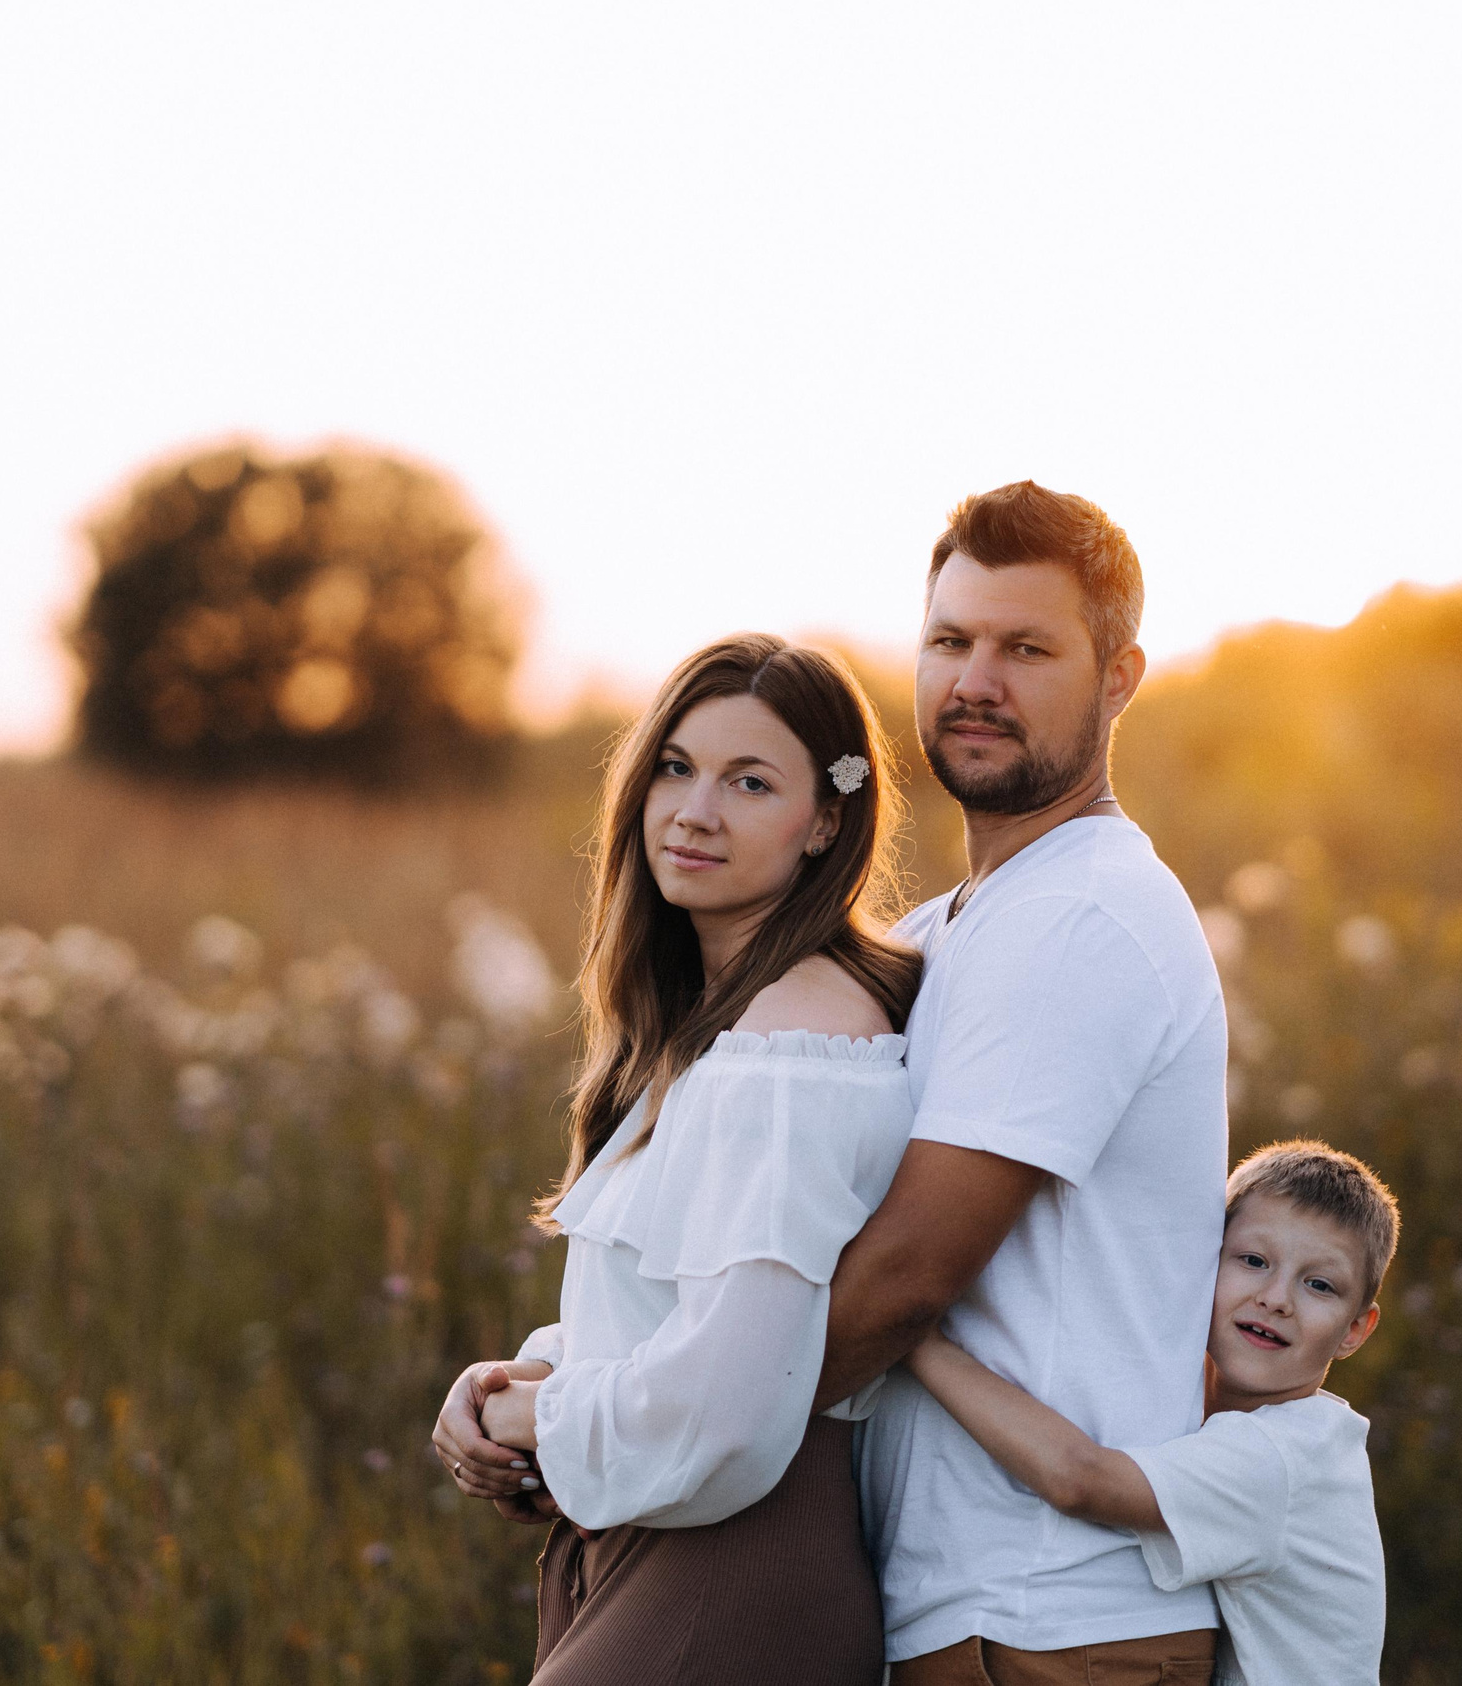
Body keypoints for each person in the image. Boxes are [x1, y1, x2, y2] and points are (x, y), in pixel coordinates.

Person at [430, 633, 922, 1685]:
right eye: (675, 766)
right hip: (658, 1543)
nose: (695, 810)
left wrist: (536, 1418)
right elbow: (687, 1312)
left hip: (732, 1559)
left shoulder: (791, 1052)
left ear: (826, 820)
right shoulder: (716, 1027)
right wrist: (521, 1379)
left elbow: (731, 1405)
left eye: (750, 782)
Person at [815, 480, 1233, 1680]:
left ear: (1119, 678)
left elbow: (902, 1281)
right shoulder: (953, 928)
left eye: (1025, 648)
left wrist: (628, 1442)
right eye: (948, 640)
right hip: (977, 1611)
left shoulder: (1081, 916)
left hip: (1053, 1622)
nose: (973, 682)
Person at [904, 1141, 1398, 1686]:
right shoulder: (1259, 1435)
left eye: (1319, 1285)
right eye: (1254, 1261)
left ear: (1355, 1329)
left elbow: (1080, 1480)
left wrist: (915, 1339)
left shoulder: (1281, 1457)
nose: (1277, 1298)